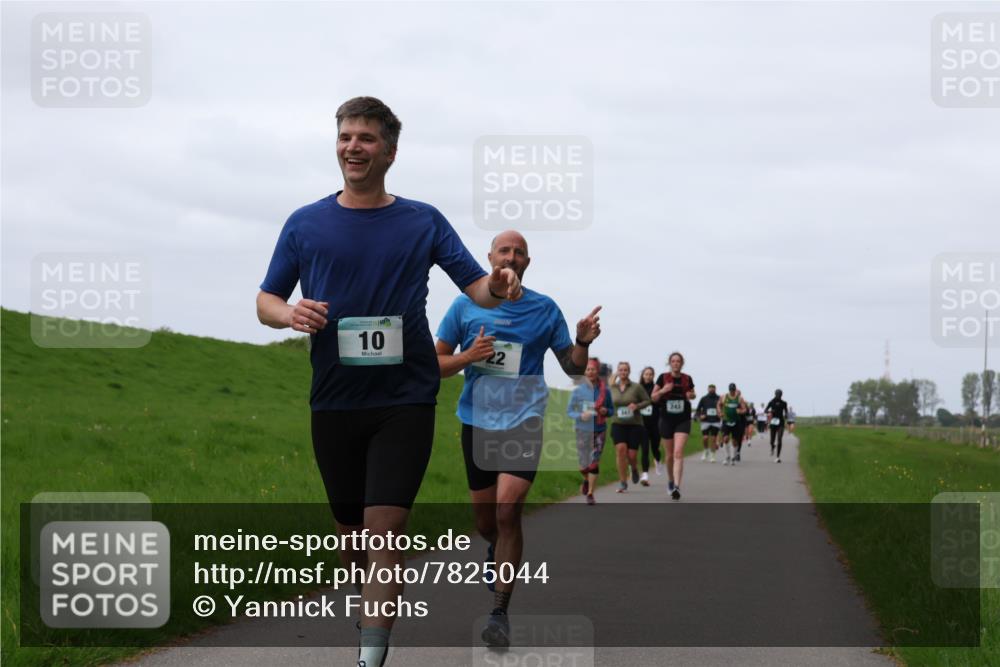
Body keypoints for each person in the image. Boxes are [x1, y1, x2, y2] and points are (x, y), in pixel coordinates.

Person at [256, 97, 523, 667]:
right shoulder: (305, 222)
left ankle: (370, 657)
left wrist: (499, 285)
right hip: (333, 399)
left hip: (405, 398)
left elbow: (476, 287)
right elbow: (266, 299)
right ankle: (368, 611)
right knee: (353, 537)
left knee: (386, 534)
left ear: (390, 152)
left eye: (366, 138)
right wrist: (289, 314)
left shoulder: (421, 219)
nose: (353, 146)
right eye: (346, 136)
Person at [435, 230, 601, 648]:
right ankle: (495, 548)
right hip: (477, 419)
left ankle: (499, 613)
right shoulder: (463, 305)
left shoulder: (544, 309)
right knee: (485, 522)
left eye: (519, 251)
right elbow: (435, 363)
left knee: (508, 512)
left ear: (528, 261)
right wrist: (467, 357)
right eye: (504, 250)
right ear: (490, 258)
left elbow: (573, 369)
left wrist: (581, 341)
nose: (511, 255)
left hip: (524, 419)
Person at [650, 352, 696, 500]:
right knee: (669, 455)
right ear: (669, 363)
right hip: (666, 419)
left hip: (683, 419)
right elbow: (653, 397)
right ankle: (670, 480)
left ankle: (677, 486)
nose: (676, 363)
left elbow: (693, 393)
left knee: (678, 453)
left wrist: (691, 395)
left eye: (678, 361)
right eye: (673, 361)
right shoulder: (663, 378)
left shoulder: (687, 378)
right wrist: (664, 390)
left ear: (682, 363)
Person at [568, 358, 614, 505]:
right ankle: (586, 480)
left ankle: (590, 493)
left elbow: (612, 411)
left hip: (599, 430)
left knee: (594, 463)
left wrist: (606, 411)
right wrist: (580, 415)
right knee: (583, 466)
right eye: (587, 369)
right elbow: (569, 411)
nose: (590, 372)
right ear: (584, 372)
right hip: (582, 429)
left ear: (597, 371)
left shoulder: (605, 391)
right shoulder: (578, 391)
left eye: (593, 369)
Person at [609, 362, 652, 491]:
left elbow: (647, 400)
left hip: (634, 425)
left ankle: (633, 468)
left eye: (625, 370)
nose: (623, 372)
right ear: (618, 372)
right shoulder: (613, 387)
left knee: (632, 455)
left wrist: (636, 406)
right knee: (621, 450)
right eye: (621, 370)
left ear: (629, 372)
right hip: (618, 423)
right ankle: (623, 482)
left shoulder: (636, 387)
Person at [639, 366, 664, 478]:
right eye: (646, 374)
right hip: (642, 423)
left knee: (655, 448)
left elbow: (661, 404)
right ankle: (645, 473)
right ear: (642, 375)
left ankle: (658, 461)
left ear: (653, 376)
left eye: (650, 374)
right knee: (644, 449)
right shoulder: (638, 388)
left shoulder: (656, 389)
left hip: (655, 423)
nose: (648, 376)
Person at [719, 383, 747, 465]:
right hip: (726, 420)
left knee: (735, 441)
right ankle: (727, 456)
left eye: (733, 390)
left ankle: (733, 457)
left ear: (735, 390)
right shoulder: (724, 397)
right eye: (731, 390)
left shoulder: (739, 398)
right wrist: (720, 412)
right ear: (729, 390)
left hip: (736, 421)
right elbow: (719, 405)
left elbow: (744, 409)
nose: (732, 391)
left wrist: (741, 411)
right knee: (725, 438)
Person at [695, 384, 721, 463]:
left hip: (715, 421)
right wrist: (700, 416)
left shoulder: (719, 398)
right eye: (710, 388)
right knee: (705, 438)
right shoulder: (704, 398)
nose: (711, 390)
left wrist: (721, 414)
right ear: (708, 389)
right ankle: (706, 450)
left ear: (715, 389)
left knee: (713, 439)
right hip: (705, 421)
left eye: (713, 388)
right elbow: (698, 409)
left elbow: (723, 408)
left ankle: (713, 455)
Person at [766, 389, 790, 462]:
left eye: (780, 395)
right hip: (773, 422)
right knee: (772, 440)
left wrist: (786, 415)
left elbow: (786, 411)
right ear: (775, 394)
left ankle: (778, 457)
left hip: (781, 422)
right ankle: (772, 446)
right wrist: (770, 411)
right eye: (777, 395)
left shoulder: (784, 403)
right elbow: (765, 410)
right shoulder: (771, 402)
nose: (779, 396)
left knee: (779, 439)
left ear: (781, 395)